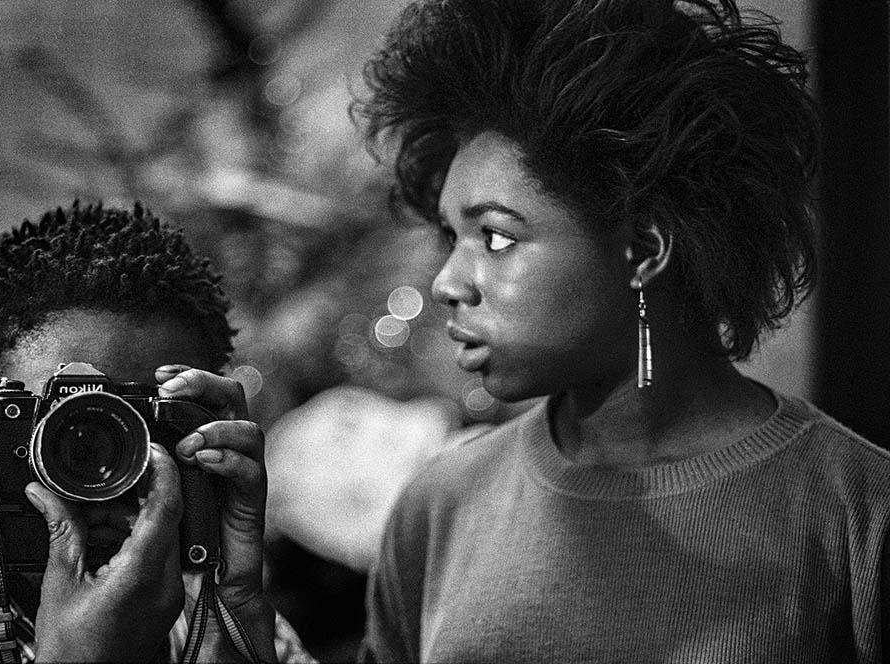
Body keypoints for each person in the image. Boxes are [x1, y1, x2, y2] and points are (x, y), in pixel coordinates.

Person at [351, 0, 890, 662]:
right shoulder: (439, 509)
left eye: (494, 236)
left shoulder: (853, 512)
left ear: (642, 249)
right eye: (449, 236)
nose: (447, 282)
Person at [0, 202, 313, 662]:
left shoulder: (216, 616)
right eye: (68, 427)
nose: (105, 476)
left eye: (142, 428)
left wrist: (236, 616)